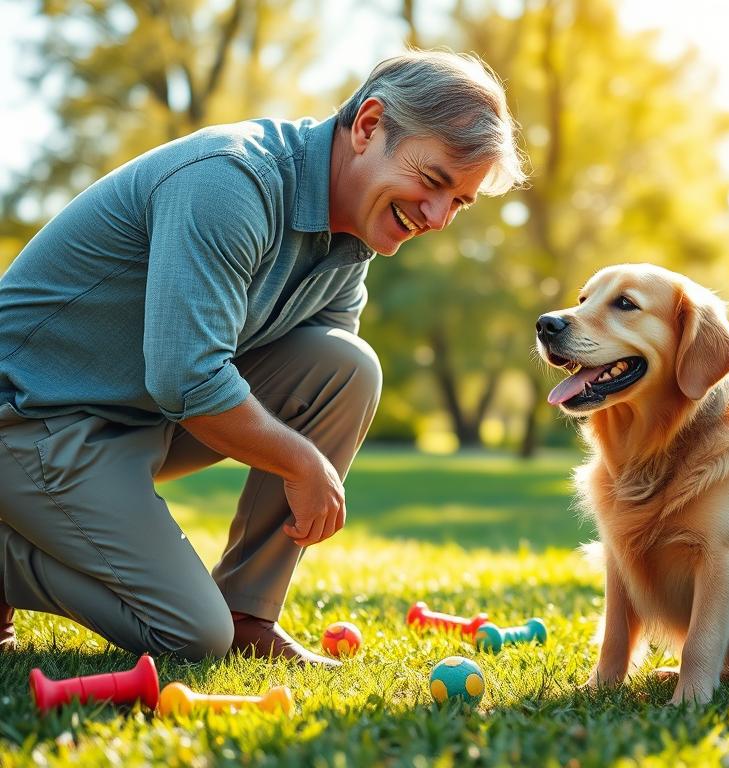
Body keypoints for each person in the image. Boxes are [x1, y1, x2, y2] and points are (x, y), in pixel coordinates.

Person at [0, 49, 526, 664]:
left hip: (129, 419)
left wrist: (303, 455)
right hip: (32, 416)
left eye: (459, 202)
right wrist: (302, 464)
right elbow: (186, 378)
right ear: (367, 126)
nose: (437, 218)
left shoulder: (350, 239)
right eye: (432, 181)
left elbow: (315, 382)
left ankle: (249, 611)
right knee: (192, 635)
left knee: (347, 367)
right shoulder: (230, 181)